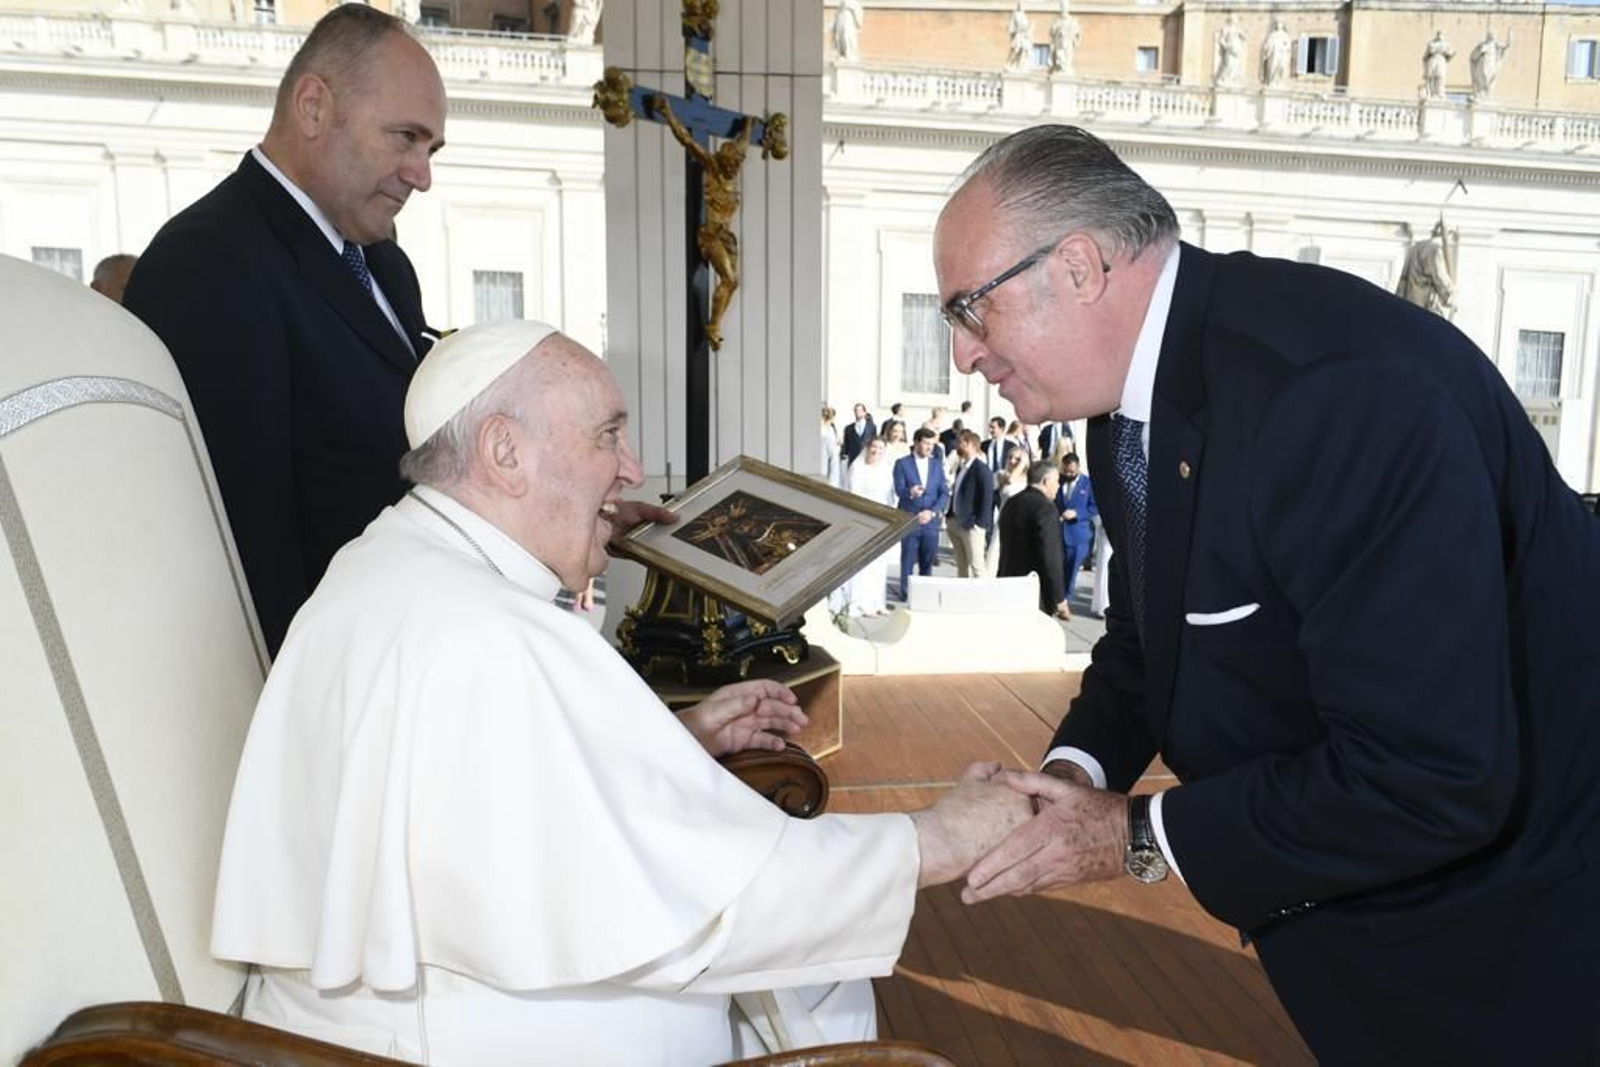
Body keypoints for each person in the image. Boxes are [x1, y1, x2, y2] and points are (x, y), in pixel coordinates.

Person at [933, 123, 1600, 1061]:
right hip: (1365, 935)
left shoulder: (1336, 398)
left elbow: (1432, 772)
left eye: (971, 311)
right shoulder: (1128, 404)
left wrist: (1131, 835)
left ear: (1078, 267)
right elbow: (1149, 641)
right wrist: (1070, 781)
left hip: (1515, 945)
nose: (963, 356)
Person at [210, 319, 1031, 1064]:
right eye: (608, 434)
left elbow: (500, 802)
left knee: (810, 983)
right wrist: (934, 838)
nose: (632, 468)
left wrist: (676, 739)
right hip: (456, 1035)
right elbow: (707, 901)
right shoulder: (487, 629)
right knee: (813, 987)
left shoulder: (392, 560)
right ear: (504, 451)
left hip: (414, 1002)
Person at [123, 5, 445, 656]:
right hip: (320, 673)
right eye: (405, 138)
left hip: (406, 647)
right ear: (313, 106)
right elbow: (243, 543)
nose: (423, 175)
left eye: (430, 149)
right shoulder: (209, 261)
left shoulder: (385, 263)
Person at [997, 460, 1067, 618]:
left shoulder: (1012, 502)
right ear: (1045, 481)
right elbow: (1050, 555)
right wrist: (1059, 597)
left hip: (1007, 583)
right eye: (1056, 481)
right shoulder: (1046, 508)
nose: (1058, 486)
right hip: (1033, 591)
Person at [892, 428, 949, 602]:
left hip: (930, 521)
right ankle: (906, 595)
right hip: (910, 519)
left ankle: (924, 597)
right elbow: (899, 489)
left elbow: (944, 493)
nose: (929, 447)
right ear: (916, 443)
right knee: (908, 559)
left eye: (932, 444)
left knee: (927, 561)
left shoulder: (936, 465)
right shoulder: (902, 463)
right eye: (926, 443)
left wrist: (932, 512)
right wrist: (910, 492)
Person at [843, 437, 897, 615]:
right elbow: (854, 494)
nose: (877, 451)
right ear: (868, 447)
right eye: (874, 447)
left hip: (881, 520)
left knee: (879, 564)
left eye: (881, 448)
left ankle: (877, 601)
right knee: (863, 563)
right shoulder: (857, 467)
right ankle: (861, 602)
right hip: (863, 519)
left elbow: (890, 496)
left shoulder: (885, 469)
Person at [945, 429, 994, 579]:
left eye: (960, 443)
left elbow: (987, 498)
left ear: (969, 444)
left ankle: (984, 593)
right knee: (961, 566)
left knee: (977, 566)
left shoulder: (981, 469)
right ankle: (963, 593)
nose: (957, 446)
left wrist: (979, 524)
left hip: (972, 526)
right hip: (955, 521)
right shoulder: (962, 466)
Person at [1055, 451, 1096, 606]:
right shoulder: (1057, 480)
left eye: (1072, 471)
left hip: (1078, 535)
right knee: (1057, 570)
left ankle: (1065, 600)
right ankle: (1057, 598)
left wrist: (1077, 513)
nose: (1068, 474)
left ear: (1078, 468)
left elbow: (1094, 508)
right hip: (1058, 533)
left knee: (1071, 572)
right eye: (1066, 471)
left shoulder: (1088, 483)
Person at [1470, 30, 1510, 98]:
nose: (1492, 36)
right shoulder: (1482, 45)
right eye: (1490, 35)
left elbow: (1506, 46)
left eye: (1493, 35)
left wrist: (1509, 36)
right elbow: (1473, 56)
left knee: (1490, 81)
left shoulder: (1496, 45)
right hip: (1482, 66)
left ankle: (1487, 95)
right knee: (1480, 80)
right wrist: (1480, 51)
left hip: (1491, 66)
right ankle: (1480, 94)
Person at [1049, 0, 1081, 76]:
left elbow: (1077, 32)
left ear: (1068, 8)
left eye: (1065, 6)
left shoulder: (1071, 20)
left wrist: (1074, 33)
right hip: (1059, 42)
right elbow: (1052, 31)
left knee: (1067, 57)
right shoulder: (1057, 20)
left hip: (1068, 43)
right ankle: (1061, 68)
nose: (1063, 8)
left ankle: (1066, 68)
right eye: (1062, 6)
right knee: (1060, 56)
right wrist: (1058, 30)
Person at [841, 401, 877, 467]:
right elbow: (846, 444)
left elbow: (874, 442)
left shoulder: (872, 427)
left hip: (866, 458)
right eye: (855, 411)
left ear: (864, 412)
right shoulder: (848, 428)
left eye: (860, 410)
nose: (857, 412)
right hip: (853, 459)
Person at [1215, 15, 1246, 88]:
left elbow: (1244, 37)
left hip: (1236, 49)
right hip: (1229, 49)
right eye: (1233, 19)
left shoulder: (1238, 29)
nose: (1234, 21)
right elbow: (1221, 39)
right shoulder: (1226, 29)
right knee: (1229, 64)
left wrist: (1241, 35)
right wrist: (1226, 46)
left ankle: (1232, 80)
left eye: (1235, 20)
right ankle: (1222, 78)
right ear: (1230, 20)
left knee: (1235, 65)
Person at [1422, 30, 1453, 98]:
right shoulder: (1431, 43)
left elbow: (1449, 54)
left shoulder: (1445, 44)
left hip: (1441, 60)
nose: (1439, 36)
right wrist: (1429, 54)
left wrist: (1449, 54)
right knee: (1431, 76)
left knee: (1440, 76)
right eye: (1438, 34)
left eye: (1441, 34)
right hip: (1433, 59)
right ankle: (1431, 93)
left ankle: (1439, 93)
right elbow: (1425, 55)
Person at [1261, 18, 1292, 87]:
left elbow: (1288, 45)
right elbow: (1267, 45)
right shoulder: (1273, 35)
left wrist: (1284, 47)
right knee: (1273, 67)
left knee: (1282, 67)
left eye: (1280, 23)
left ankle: (1280, 81)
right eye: (1277, 24)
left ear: (1283, 25)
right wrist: (1268, 49)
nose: (1279, 25)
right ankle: (1273, 81)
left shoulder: (1285, 35)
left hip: (1282, 54)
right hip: (1274, 54)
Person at [1005, 1, 1032, 71]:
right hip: (1018, 34)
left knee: (1023, 49)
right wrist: (1015, 30)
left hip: (1024, 35)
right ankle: (1009, 64)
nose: (1021, 6)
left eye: (1022, 5)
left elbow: (1025, 26)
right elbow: (1011, 26)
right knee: (1015, 49)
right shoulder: (1015, 14)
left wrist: (1028, 27)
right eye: (1020, 5)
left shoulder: (1024, 15)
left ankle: (1019, 65)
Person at [819, 405, 841, 486]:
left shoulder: (830, 429)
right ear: (833, 417)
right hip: (826, 462)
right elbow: (832, 451)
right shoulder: (825, 431)